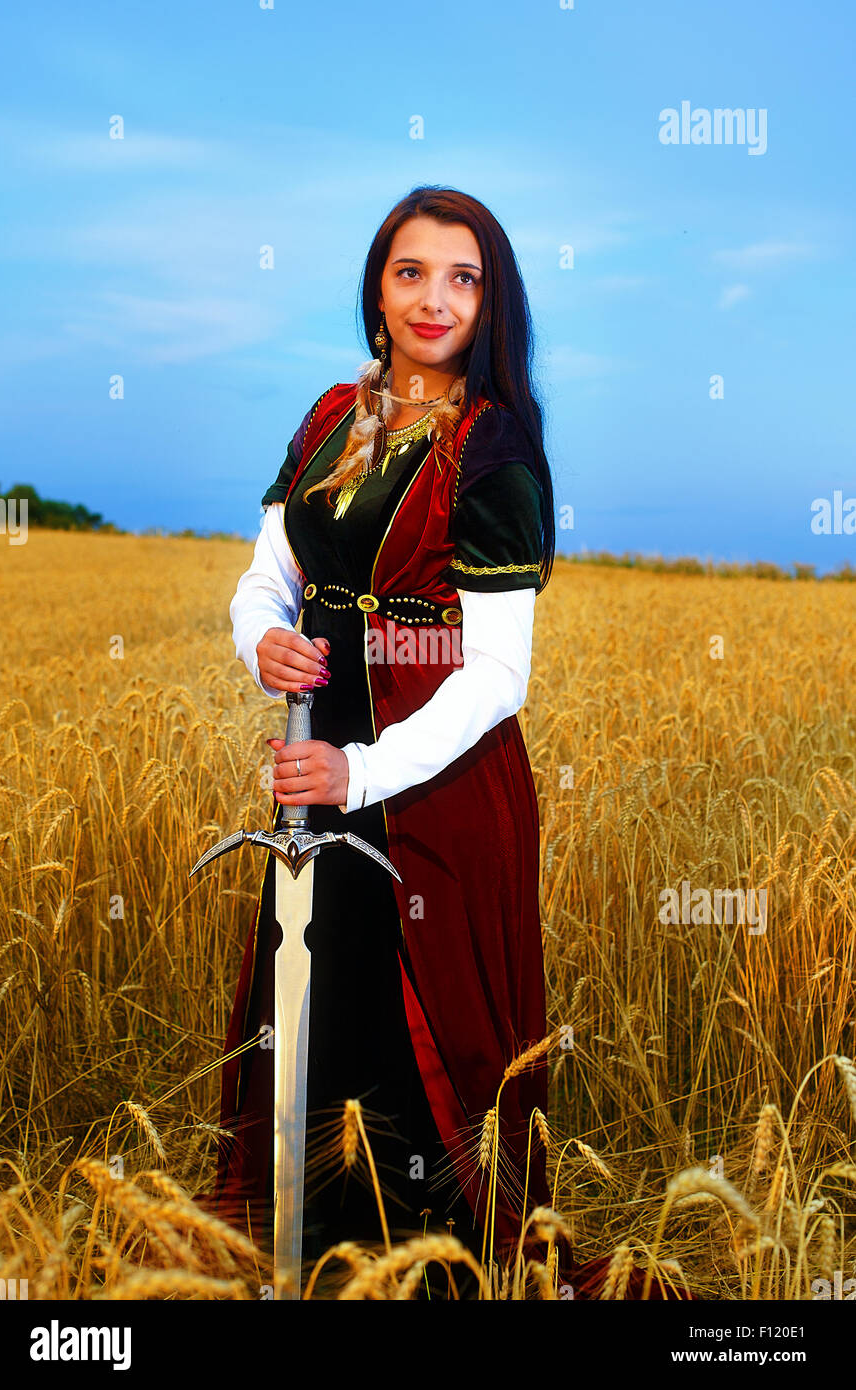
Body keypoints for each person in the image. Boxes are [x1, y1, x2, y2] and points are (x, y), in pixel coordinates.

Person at [198, 186, 690, 1301]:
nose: (434, 298)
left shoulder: (495, 446)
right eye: (411, 270)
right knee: (319, 1002)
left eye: (463, 277)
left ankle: (450, 1274)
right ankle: (319, 1253)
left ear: (492, 300)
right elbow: (264, 578)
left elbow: (498, 678)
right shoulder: (333, 415)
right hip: (314, 764)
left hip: (441, 788)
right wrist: (261, 639)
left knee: (438, 1042)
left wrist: (361, 771)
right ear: (377, 287)